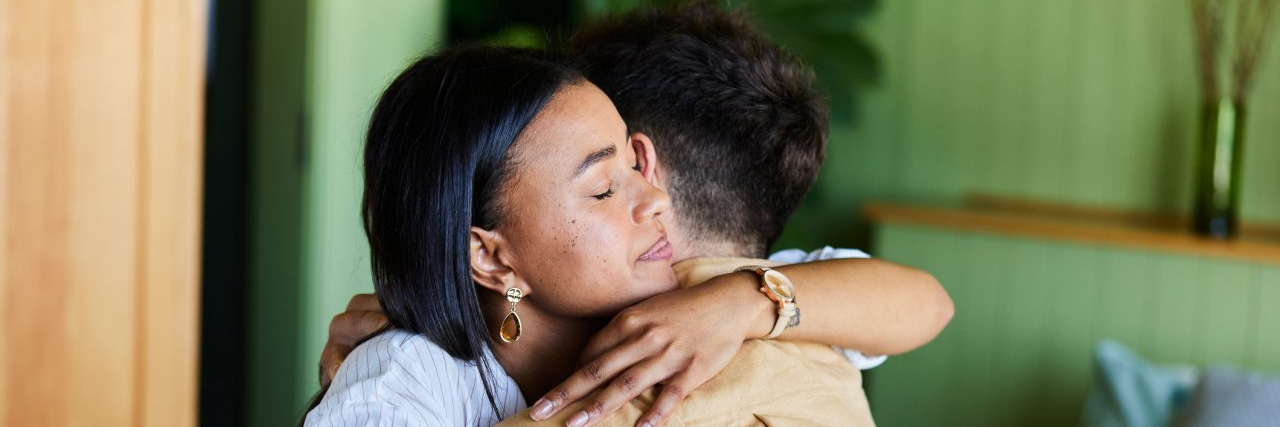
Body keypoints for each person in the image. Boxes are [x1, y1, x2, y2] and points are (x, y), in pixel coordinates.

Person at [311, 4, 953, 427]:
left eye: (635, 168)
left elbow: (924, 302)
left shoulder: (701, 293)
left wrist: (745, 302)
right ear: (491, 254)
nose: (655, 201)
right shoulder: (405, 381)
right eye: (601, 188)